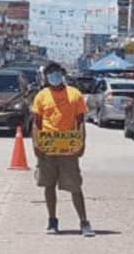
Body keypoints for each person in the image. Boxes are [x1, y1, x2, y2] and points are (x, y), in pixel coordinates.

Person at [31, 61, 95, 237]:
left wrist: (81, 144)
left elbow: (80, 122)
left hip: (68, 148)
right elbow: (36, 123)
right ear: (46, 77)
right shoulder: (41, 96)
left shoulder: (74, 95)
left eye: (57, 73)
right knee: (48, 185)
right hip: (47, 149)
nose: (54, 76)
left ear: (63, 74)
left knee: (75, 186)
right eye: (50, 74)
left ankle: (84, 222)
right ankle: (52, 220)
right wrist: (36, 146)